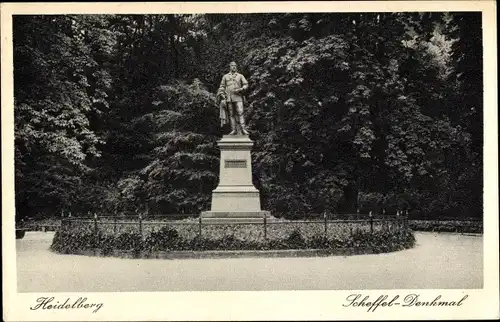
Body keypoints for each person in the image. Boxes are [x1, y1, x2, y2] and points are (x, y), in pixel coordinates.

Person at [218, 61, 249, 135]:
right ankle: (233, 130)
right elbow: (222, 86)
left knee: (240, 112)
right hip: (229, 98)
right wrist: (222, 94)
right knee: (231, 114)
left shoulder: (240, 76)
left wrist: (241, 89)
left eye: (235, 66)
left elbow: (246, 84)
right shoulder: (225, 76)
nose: (234, 67)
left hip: (238, 97)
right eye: (232, 66)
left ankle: (243, 129)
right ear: (230, 67)